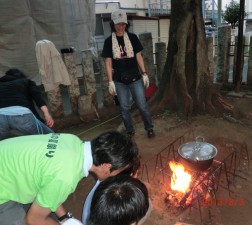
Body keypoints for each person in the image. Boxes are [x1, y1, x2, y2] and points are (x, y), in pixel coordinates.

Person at [0, 131, 139, 225]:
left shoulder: (72, 141)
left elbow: (50, 181)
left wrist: (64, 217)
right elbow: (33, 219)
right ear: (107, 167)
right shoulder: (65, 178)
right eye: (119, 171)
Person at [102, 9, 155, 138]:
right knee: (125, 108)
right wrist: (110, 82)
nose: (121, 27)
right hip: (119, 81)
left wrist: (144, 73)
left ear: (126, 24)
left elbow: (139, 57)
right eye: (118, 24)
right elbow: (108, 63)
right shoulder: (109, 41)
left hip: (135, 78)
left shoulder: (132, 38)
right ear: (113, 24)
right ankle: (130, 130)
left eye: (123, 24)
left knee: (142, 106)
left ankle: (149, 127)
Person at [0, 68, 54, 140]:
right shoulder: (27, 81)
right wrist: (46, 114)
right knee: (50, 137)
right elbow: (38, 97)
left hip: (1, 117)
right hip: (21, 116)